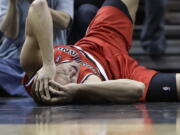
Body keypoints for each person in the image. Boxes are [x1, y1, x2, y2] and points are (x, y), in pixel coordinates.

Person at [21, 0, 180, 105]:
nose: (71, 72)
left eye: (63, 73)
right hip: (125, 73)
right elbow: (137, 89)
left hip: (99, 39)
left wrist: (49, 64)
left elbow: (38, 6)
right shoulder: (85, 86)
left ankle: (152, 32)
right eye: (72, 80)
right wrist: (77, 90)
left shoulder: (35, 65)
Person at [0, 0, 74, 96]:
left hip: (49, 58)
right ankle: (38, 85)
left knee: (39, 5)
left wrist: (35, 7)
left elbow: (65, 21)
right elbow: (11, 33)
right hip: (12, 61)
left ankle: (28, 84)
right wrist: (12, 3)